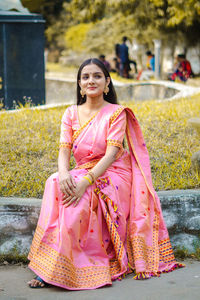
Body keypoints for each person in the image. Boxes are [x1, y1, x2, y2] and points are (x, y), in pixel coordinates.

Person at [27, 58, 184, 290]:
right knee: (53, 182)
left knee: (80, 199)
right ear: (80, 84)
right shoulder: (71, 113)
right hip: (83, 169)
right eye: (86, 77)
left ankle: (74, 265)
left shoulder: (116, 113)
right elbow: (64, 150)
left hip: (114, 173)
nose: (91, 81)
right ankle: (50, 263)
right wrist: (63, 173)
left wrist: (85, 182)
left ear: (107, 82)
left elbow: (111, 155)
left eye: (97, 76)